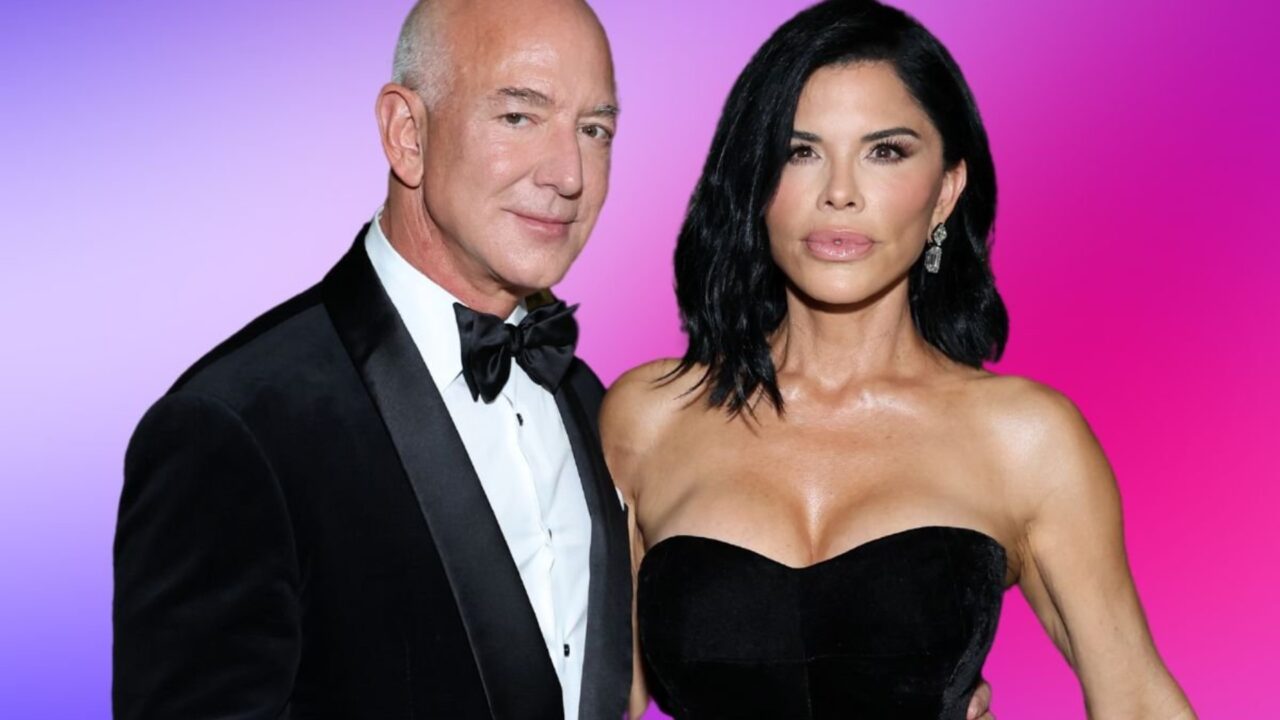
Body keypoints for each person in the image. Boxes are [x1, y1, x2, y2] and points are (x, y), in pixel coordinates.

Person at [601, 1, 1197, 718]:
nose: (840, 194)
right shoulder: (648, 418)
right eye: (800, 151)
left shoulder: (1025, 439)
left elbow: (1135, 697)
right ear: (756, 182)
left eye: (885, 152)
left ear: (945, 191)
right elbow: (598, 698)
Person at [112, 1, 633, 717]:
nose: (568, 174)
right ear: (407, 134)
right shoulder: (235, 427)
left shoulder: (589, 399)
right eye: (519, 116)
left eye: (594, 129)